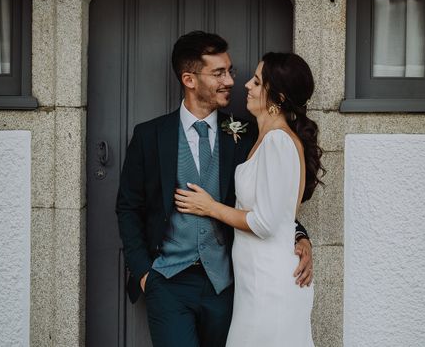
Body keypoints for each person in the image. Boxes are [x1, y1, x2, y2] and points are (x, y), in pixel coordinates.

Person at [116, 32, 314, 347]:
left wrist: (299, 236)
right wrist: (144, 273)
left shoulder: (248, 132)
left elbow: (272, 196)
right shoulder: (149, 136)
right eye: (219, 73)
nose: (232, 81)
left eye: (230, 71)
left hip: (227, 285)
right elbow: (128, 207)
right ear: (189, 79)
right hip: (167, 283)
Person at [175, 52, 323, 347]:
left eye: (257, 81)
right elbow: (280, 213)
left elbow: (265, 222)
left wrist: (210, 207)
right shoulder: (266, 138)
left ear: (277, 96)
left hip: (269, 286)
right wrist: (300, 235)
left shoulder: (278, 142)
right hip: (255, 284)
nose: (247, 86)